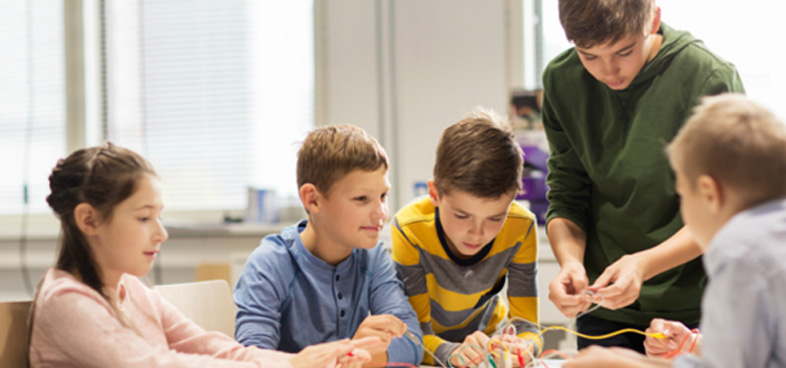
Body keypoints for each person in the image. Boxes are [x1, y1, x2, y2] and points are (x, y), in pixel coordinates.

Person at [28, 142, 376, 368]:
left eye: (159, 216)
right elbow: (157, 364)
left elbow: (220, 350)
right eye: (143, 217)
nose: (160, 232)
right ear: (89, 220)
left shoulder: (132, 290)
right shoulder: (65, 301)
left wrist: (309, 360)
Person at [542, 0, 745, 352]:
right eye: (589, 55)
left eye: (624, 51)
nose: (609, 71)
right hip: (603, 308)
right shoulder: (562, 80)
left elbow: (726, 214)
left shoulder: (708, 79)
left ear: (653, 19)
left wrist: (645, 264)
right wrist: (570, 263)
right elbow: (566, 196)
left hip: (693, 312)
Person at [564, 94, 786, 367]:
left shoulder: (739, 252)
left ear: (709, 193)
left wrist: (623, 365)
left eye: (681, 195)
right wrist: (693, 345)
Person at [234, 125, 424, 366]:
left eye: (383, 196)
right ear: (312, 199)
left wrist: (355, 357)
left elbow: (413, 342)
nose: (381, 214)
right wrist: (349, 353)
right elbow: (254, 359)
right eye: (362, 199)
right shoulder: (270, 263)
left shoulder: (373, 257)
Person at [392, 108, 541, 366]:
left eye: (496, 218)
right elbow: (415, 334)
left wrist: (523, 347)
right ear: (435, 193)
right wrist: (451, 353)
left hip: (489, 345)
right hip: (429, 351)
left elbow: (528, 326)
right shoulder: (410, 229)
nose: (477, 233)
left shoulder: (521, 226)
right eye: (462, 216)